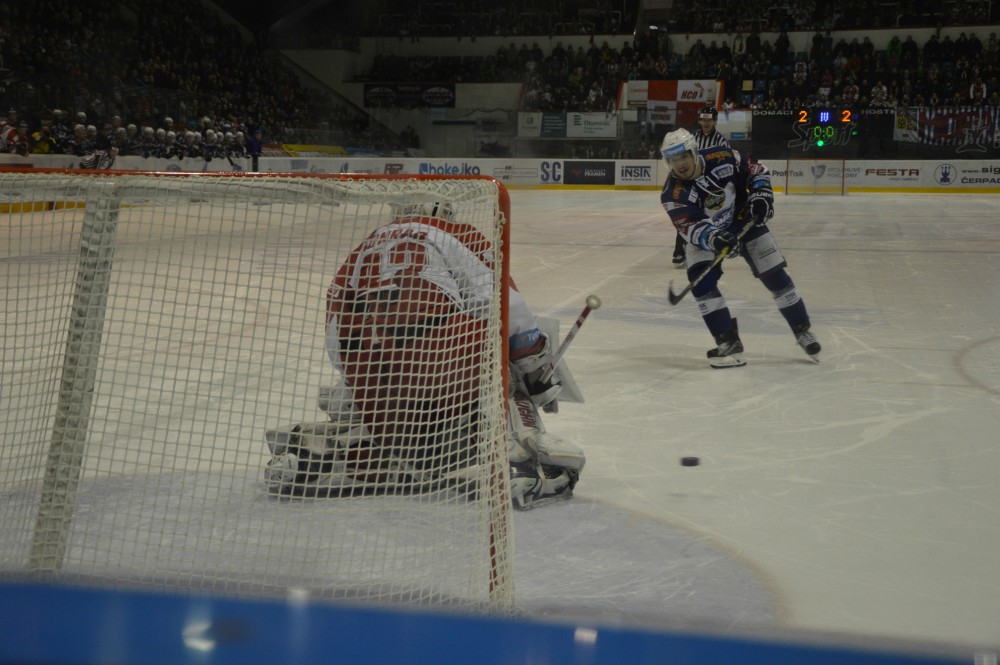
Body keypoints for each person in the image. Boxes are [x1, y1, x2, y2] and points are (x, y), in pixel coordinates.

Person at [263, 201, 586, 509]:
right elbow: (504, 302)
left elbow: (336, 334)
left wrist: (363, 385)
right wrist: (534, 363)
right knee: (505, 369)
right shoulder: (455, 234)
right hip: (441, 361)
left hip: (374, 374)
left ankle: (319, 452)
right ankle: (521, 465)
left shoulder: (362, 251)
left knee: (404, 433)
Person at [659, 128, 821, 368]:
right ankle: (729, 343)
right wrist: (715, 238)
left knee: (775, 276)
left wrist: (761, 195)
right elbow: (690, 227)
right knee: (701, 283)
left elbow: (756, 169)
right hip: (710, 235)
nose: (679, 164)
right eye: (673, 160)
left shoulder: (722, 156)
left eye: (683, 157)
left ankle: (802, 329)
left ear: (693, 152)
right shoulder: (672, 193)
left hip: (746, 221)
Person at [670, 105, 731, 269]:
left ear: (715, 121)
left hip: (712, 186)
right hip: (692, 184)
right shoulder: (692, 138)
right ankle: (679, 251)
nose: (706, 123)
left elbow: (727, 163)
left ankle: (709, 247)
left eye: (709, 120)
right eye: (703, 120)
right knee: (686, 215)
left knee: (711, 218)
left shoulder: (721, 141)